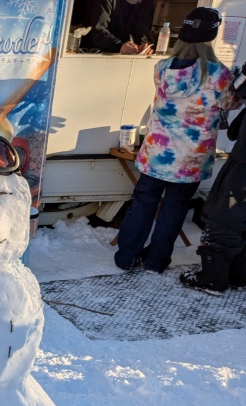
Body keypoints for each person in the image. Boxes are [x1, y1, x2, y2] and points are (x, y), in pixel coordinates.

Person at [114, 7, 242, 274]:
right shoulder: (219, 75)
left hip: (156, 153)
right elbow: (232, 103)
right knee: (174, 209)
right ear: (211, 38)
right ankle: (157, 261)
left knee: (143, 203)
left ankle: (126, 257)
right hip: (191, 159)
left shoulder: (162, 68)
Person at [180, 86, 246, 294]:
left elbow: (235, 129)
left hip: (242, 170)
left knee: (225, 217)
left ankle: (212, 278)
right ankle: (238, 275)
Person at [82, 0, 155, 55]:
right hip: (92, 54)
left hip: (122, 57)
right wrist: (119, 46)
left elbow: (141, 33)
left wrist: (142, 47)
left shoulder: (147, 3)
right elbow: (98, 31)